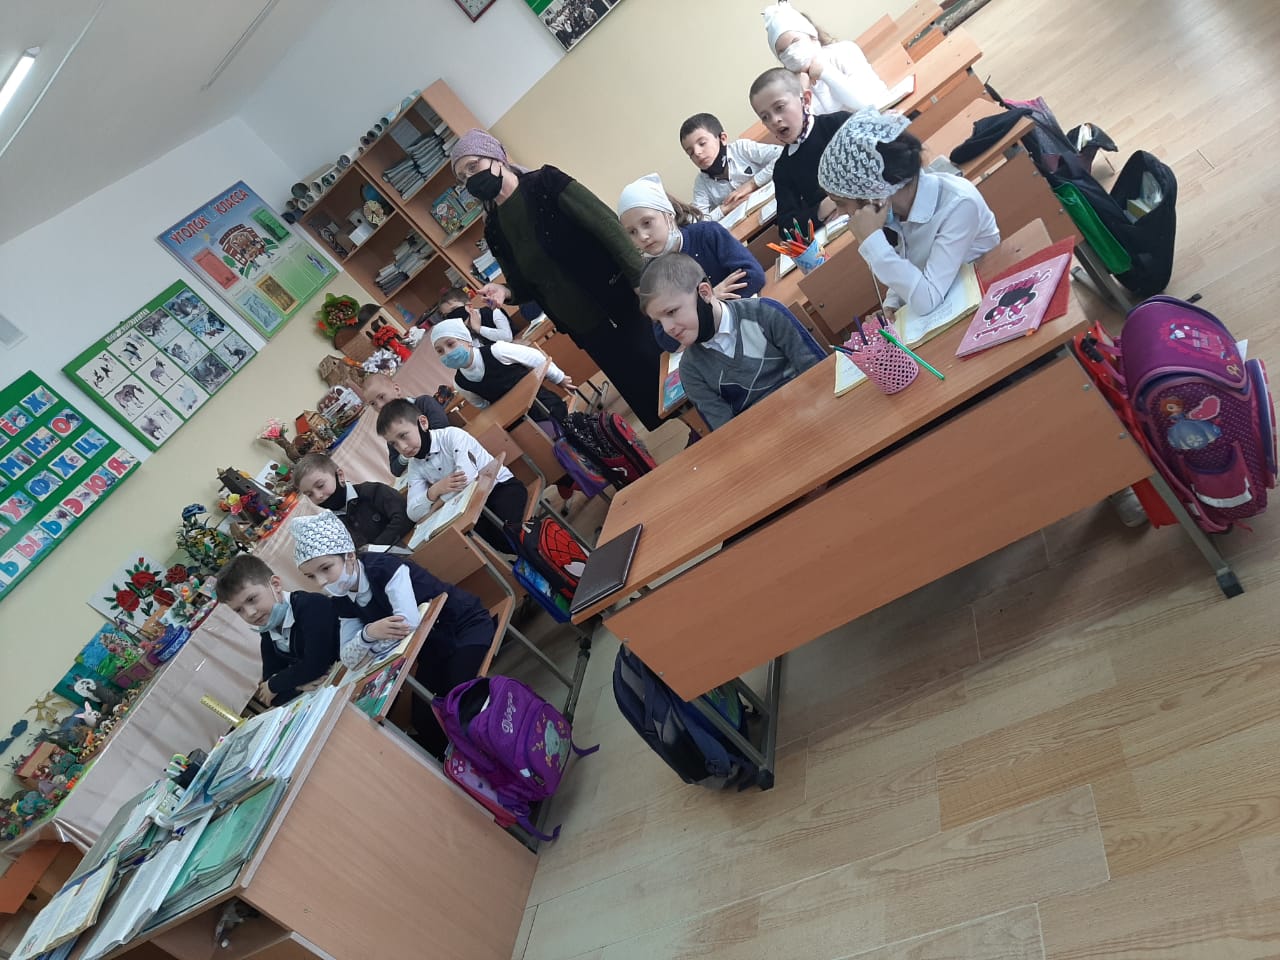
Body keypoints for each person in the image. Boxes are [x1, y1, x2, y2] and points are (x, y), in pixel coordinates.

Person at [450, 128, 666, 431]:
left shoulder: (545, 183)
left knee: (662, 372)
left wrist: (641, 281)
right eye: (463, 177)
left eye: (473, 166)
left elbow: (607, 226)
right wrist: (505, 291)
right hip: (584, 327)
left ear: (497, 157)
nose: (471, 179)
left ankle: (703, 423)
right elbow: (522, 285)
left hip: (621, 300)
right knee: (639, 392)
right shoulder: (494, 228)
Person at [291, 511, 494, 757]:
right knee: (424, 720)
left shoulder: (384, 568)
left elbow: (407, 624)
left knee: (458, 702)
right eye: (311, 576)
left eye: (326, 568)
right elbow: (349, 658)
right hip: (431, 649)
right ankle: (468, 766)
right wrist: (368, 633)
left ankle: (500, 756)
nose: (321, 581)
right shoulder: (342, 598)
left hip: (463, 627)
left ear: (349, 555)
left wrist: (369, 645)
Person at [818, 109, 1000, 315]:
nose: (841, 212)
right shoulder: (896, 211)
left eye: (841, 202)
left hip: (989, 299)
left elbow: (927, 300)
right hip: (954, 303)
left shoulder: (959, 205)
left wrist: (872, 241)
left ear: (871, 193)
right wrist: (892, 305)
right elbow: (912, 264)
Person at [638, 253, 821, 430]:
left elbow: (819, 370)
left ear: (704, 293)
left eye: (671, 312)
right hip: (763, 437)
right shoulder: (690, 370)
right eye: (659, 322)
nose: (667, 328)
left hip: (814, 410)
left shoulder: (765, 313)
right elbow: (727, 432)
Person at [618, 173, 768, 352]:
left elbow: (753, 276)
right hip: (712, 348)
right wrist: (710, 299)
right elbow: (665, 340)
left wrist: (700, 309)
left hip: (749, 323)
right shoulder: (650, 275)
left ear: (668, 214)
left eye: (647, 223)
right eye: (632, 232)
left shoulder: (707, 234)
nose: (642, 236)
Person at [375, 398, 527, 554]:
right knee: (472, 544)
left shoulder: (452, 436)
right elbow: (413, 513)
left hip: (499, 488)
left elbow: (466, 478)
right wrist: (434, 490)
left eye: (403, 436)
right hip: (470, 509)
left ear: (423, 423)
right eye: (394, 444)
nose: (402, 447)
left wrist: (436, 505)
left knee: (508, 537)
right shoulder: (414, 466)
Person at [215, 554, 340, 707]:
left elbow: (316, 664)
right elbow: (270, 697)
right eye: (239, 610)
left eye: (252, 599)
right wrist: (298, 686)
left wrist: (275, 684)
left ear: (275, 585)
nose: (250, 613)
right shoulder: (268, 632)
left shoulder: (311, 605)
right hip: (326, 695)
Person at [749, 68, 850, 241]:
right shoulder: (783, 168)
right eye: (765, 117)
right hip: (837, 235)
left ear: (806, 100)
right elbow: (786, 229)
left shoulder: (839, 124)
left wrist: (843, 198)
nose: (774, 120)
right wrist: (821, 209)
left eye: (780, 107)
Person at [429, 316, 572, 423]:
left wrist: (559, 378)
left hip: (545, 405)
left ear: (467, 340)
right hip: (518, 421)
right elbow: (484, 406)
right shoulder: (460, 383)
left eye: (451, 344)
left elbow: (536, 358)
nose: (447, 353)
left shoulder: (497, 350)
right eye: (440, 351)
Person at [762, 1, 889, 115]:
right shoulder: (791, 87)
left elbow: (868, 104)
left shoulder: (844, 51)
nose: (791, 53)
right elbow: (809, 130)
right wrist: (802, 94)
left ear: (812, 37)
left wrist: (825, 72)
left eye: (794, 42)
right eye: (782, 51)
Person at [293, 452, 413, 551]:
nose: (318, 496)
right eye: (309, 494)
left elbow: (404, 515)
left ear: (340, 476)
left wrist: (373, 549)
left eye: (320, 486)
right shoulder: (331, 527)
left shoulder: (372, 491)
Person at [680, 113, 783, 222]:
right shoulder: (701, 183)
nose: (697, 153)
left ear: (722, 138)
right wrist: (725, 209)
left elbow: (782, 156)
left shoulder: (741, 148)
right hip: (749, 225)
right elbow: (699, 221)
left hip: (777, 204)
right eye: (690, 152)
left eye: (702, 143)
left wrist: (752, 184)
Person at [358, 372, 450, 477]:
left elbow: (443, 429)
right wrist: (405, 455)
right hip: (430, 473)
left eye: (382, 397)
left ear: (397, 389)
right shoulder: (391, 431)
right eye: (373, 404)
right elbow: (395, 470)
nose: (379, 406)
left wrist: (412, 447)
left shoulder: (424, 404)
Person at [438, 287, 514, 343]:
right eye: (447, 315)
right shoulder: (464, 332)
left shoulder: (493, 311)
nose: (452, 316)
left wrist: (479, 329)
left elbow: (507, 337)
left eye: (454, 309)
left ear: (469, 306)